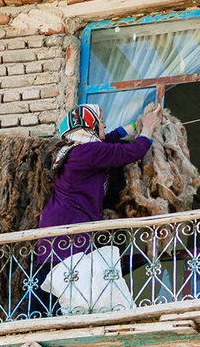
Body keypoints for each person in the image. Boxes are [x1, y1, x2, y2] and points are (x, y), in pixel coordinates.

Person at [27, 103, 159, 315]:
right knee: (62, 282)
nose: (105, 125)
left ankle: (34, 321)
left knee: (52, 281)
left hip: (59, 229)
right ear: (88, 125)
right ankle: (37, 322)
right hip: (67, 231)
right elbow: (132, 151)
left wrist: (137, 123)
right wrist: (148, 129)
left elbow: (110, 138)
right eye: (100, 121)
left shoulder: (77, 149)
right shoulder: (87, 152)